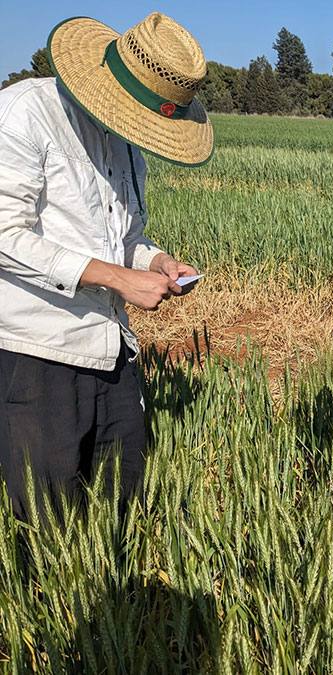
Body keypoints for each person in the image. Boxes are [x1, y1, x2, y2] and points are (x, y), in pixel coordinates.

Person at [0, 12, 213, 519]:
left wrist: (157, 261)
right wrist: (120, 278)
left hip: (111, 345)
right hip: (38, 351)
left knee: (123, 504)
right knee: (46, 520)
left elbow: (124, 236)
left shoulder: (125, 143)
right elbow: (6, 234)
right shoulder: (25, 113)